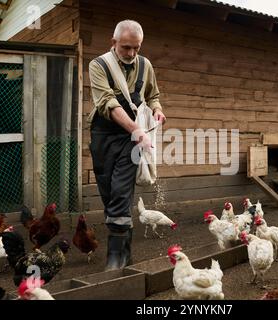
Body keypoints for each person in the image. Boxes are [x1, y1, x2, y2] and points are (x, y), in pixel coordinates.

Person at [88, 20, 166, 270]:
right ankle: (125, 257)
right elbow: (107, 103)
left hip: (131, 139)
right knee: (109, 195)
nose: (132, 54)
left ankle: (116, 262)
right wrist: (137, 130)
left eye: (137, 48)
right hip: (104, 135)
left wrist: (157, 109)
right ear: (114, 43)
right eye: (126, 48)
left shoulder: (145, 65)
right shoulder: (98, 65)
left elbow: (153, 94)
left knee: (121, 192)